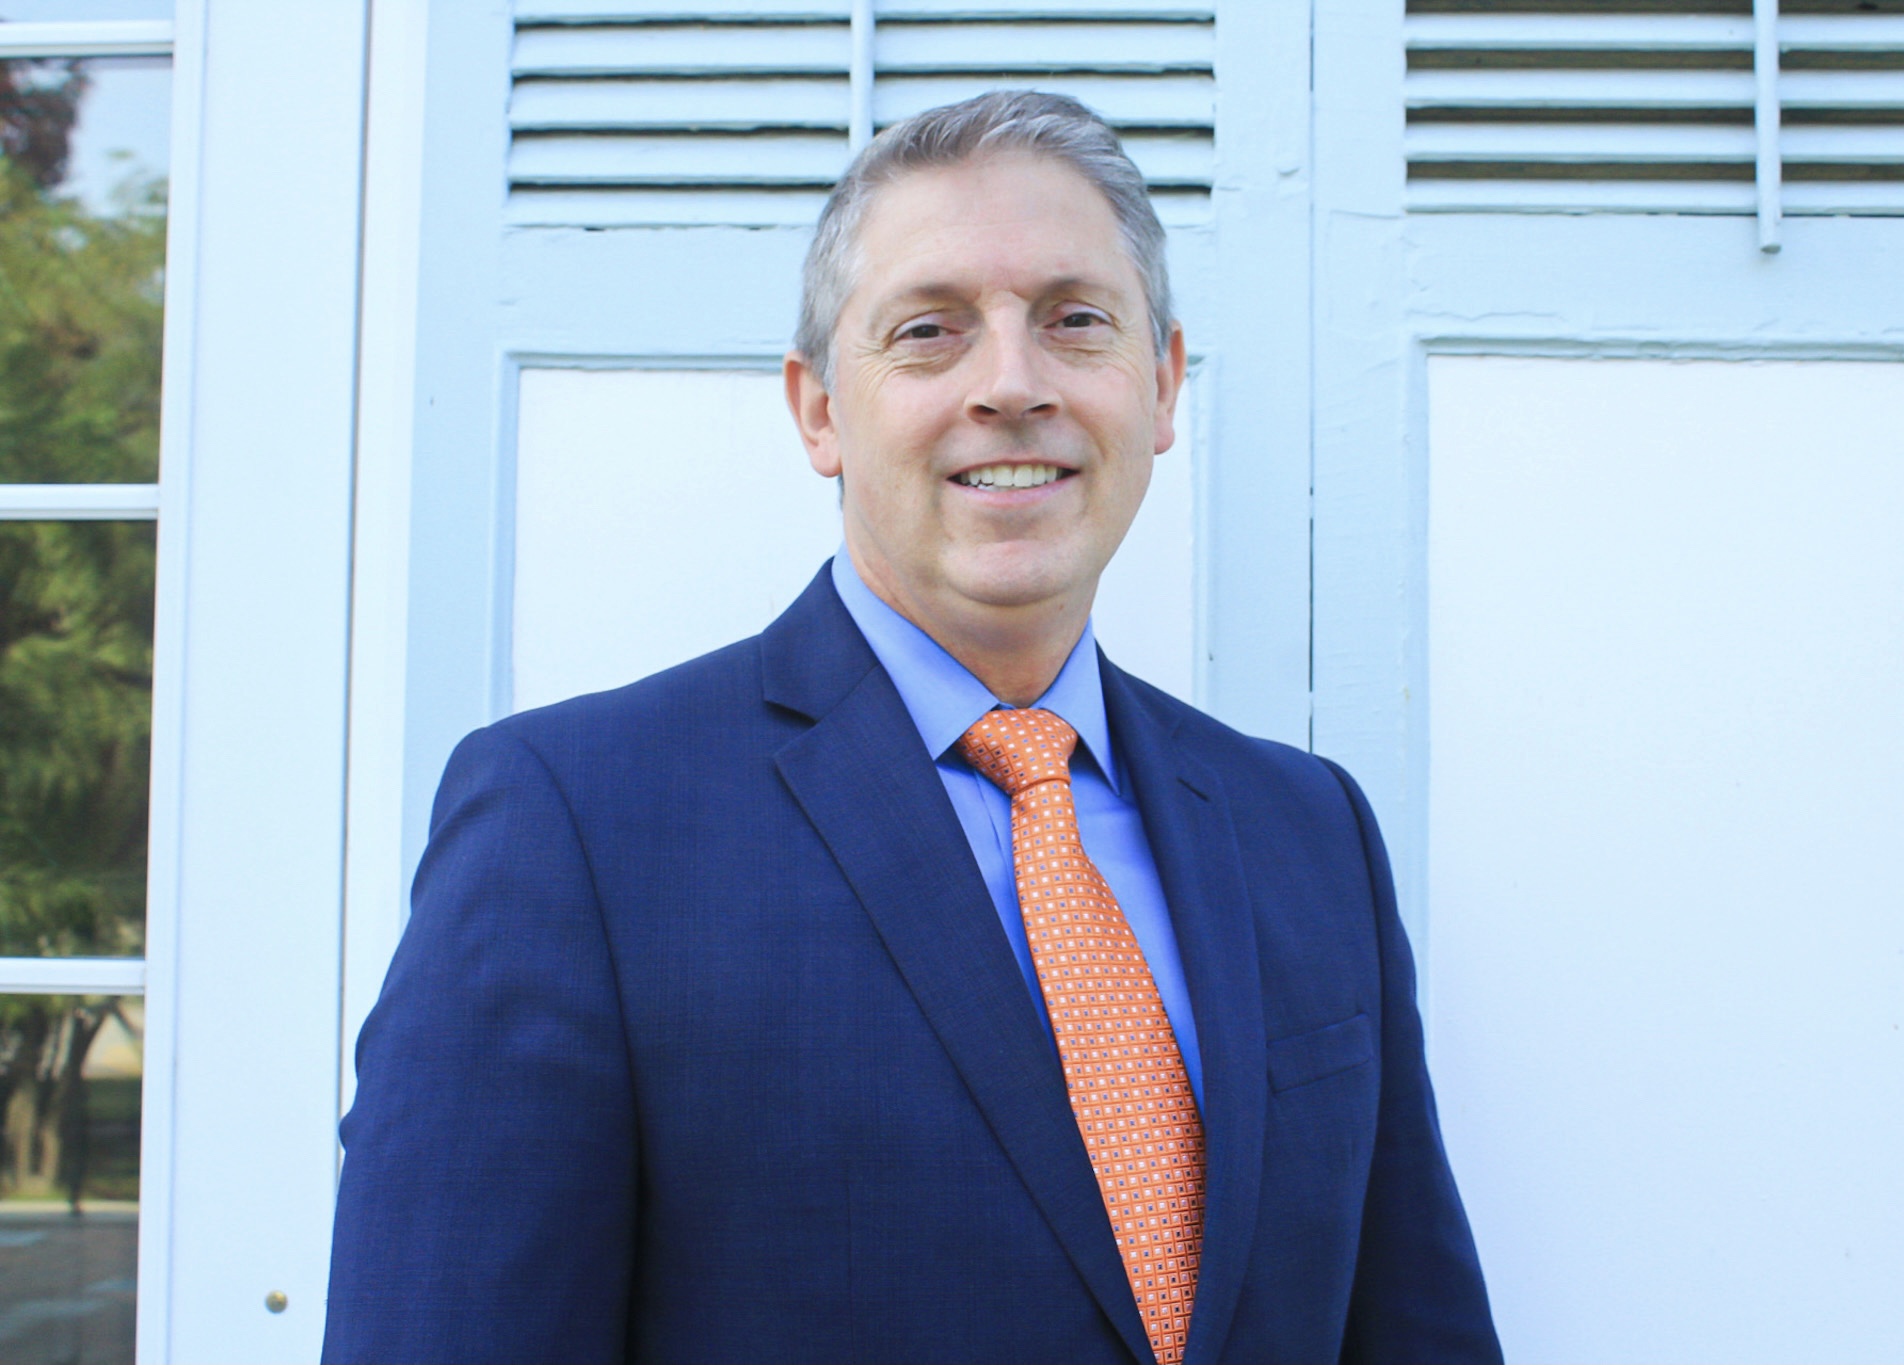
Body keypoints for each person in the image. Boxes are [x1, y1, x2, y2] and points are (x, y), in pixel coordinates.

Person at [322, 91, 1500, 1365]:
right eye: (930, 332)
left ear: (1158, 386)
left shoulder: (1305, 832)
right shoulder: (572, 826)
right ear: (819, 410)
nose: (1010, 384)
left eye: (1075, 322)